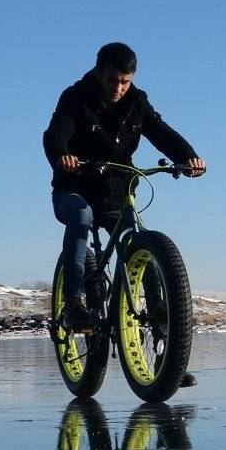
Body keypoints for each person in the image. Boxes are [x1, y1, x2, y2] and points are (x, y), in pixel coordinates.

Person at [43, 42, 205, 386]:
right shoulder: (75, 97)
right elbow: (55, 133)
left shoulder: (137, 103)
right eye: (114, 80)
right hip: (74, 188)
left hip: (117, 190)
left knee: (138, 242)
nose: (119, 88)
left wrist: (188, 156)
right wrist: (63, 156)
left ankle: (167, 360)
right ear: (100, 72)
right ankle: (74, 302)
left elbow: (161, 133)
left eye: (125, 82)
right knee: (81, 219)